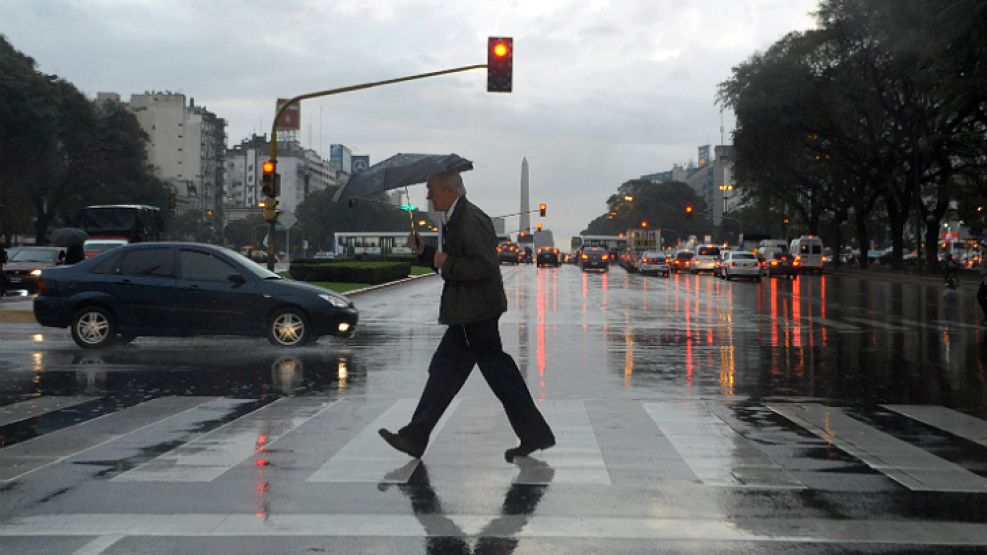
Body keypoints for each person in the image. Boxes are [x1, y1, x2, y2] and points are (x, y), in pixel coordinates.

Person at [378, 171, 556, 463]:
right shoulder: (456, 217)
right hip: (469, 311)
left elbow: (483, 266)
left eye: (431, 189)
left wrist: (445, 262)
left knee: (477, 373)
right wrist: (426, 254)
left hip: (475, 312)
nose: (428, 195)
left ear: (449, 190)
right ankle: (416, 435)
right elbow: (453, 263)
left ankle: (416, 436)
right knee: (452, 373)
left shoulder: (469, 219)